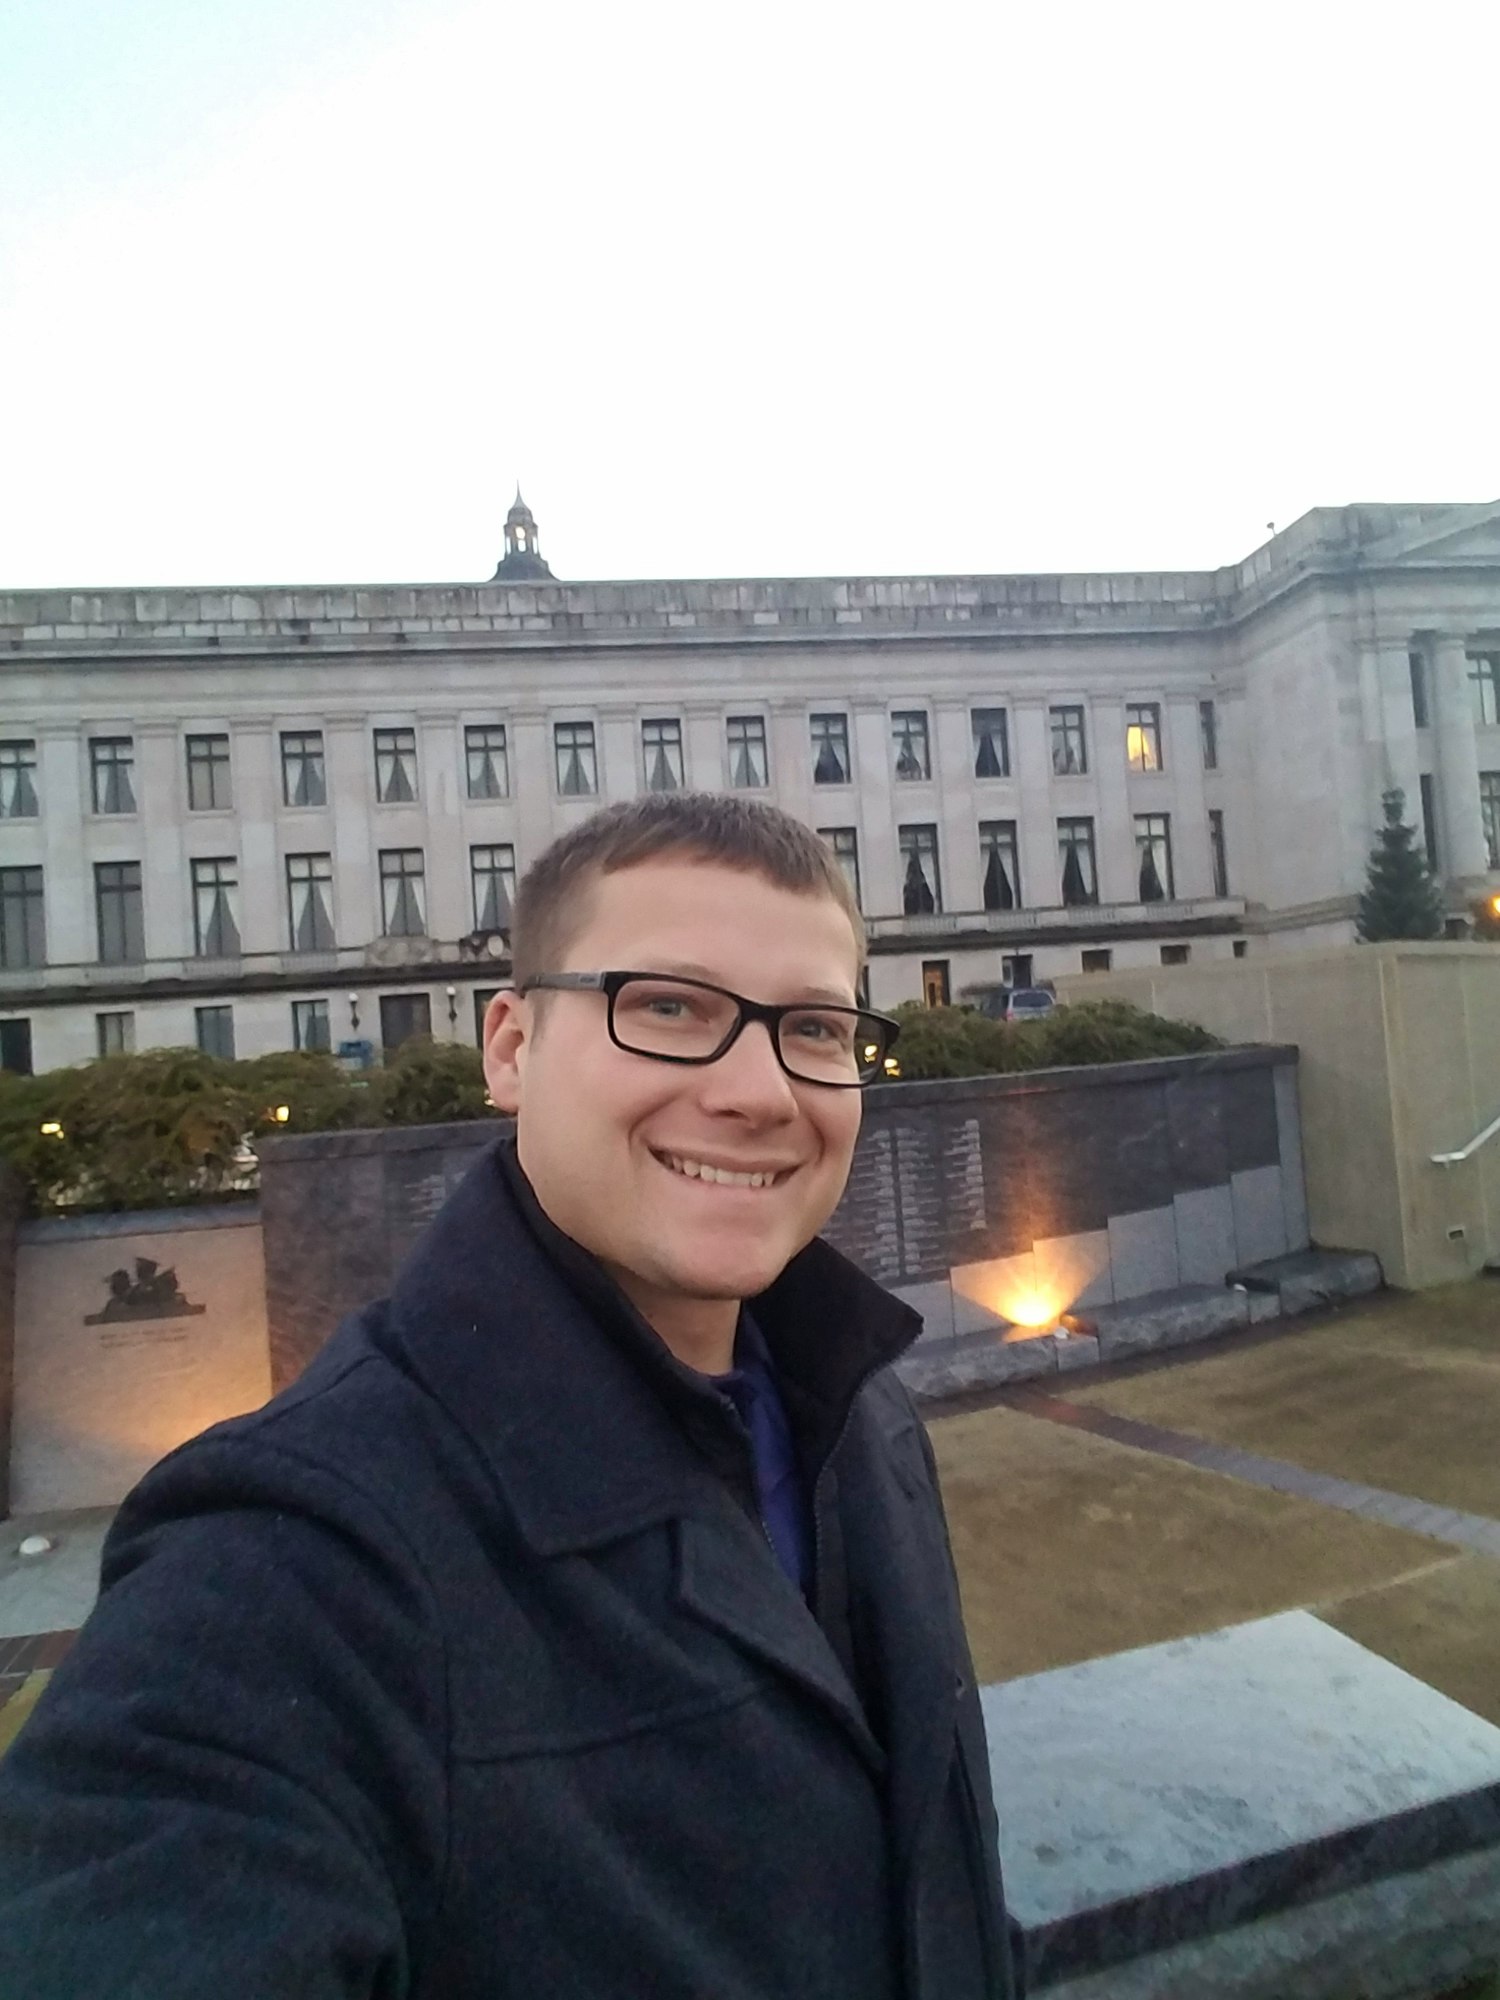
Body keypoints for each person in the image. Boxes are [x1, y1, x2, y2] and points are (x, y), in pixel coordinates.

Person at [0, 793, 1016, 1998]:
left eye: (815, 1027)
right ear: (510, 1048)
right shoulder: (302, 1549)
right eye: (669, 1006)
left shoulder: (867, 1411)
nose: (762, 1090)